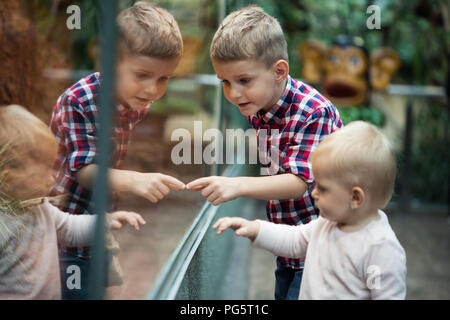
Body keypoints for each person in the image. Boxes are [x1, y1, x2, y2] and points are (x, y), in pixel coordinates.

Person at [187, 5, 342, 300]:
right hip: (289, 252)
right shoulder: (260, 106)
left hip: (322, 255)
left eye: (244, 80)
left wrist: (237, 184)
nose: (233, 94)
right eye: (225, 82)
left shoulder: (313, 112)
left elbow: (297, 182)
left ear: (279, 71)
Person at [49, 2, 185, 299]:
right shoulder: (79, 101)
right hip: (63, 227)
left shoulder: (135, 100)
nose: (152, 90)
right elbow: (84, 172)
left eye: (163, 78)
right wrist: (135, 179)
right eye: (142, 75)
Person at [213, 121, 407, 300]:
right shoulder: (326, 225)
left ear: (355, 198)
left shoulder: (379, 248)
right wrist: (255, 229)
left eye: (322, 188)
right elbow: (294, 240)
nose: (314, 193)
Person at [0, 105, 146, 299]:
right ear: (7, 175)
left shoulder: (40, 207)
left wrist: (105, 221)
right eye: (43, 170)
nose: (52, 178)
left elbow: (69, 228)